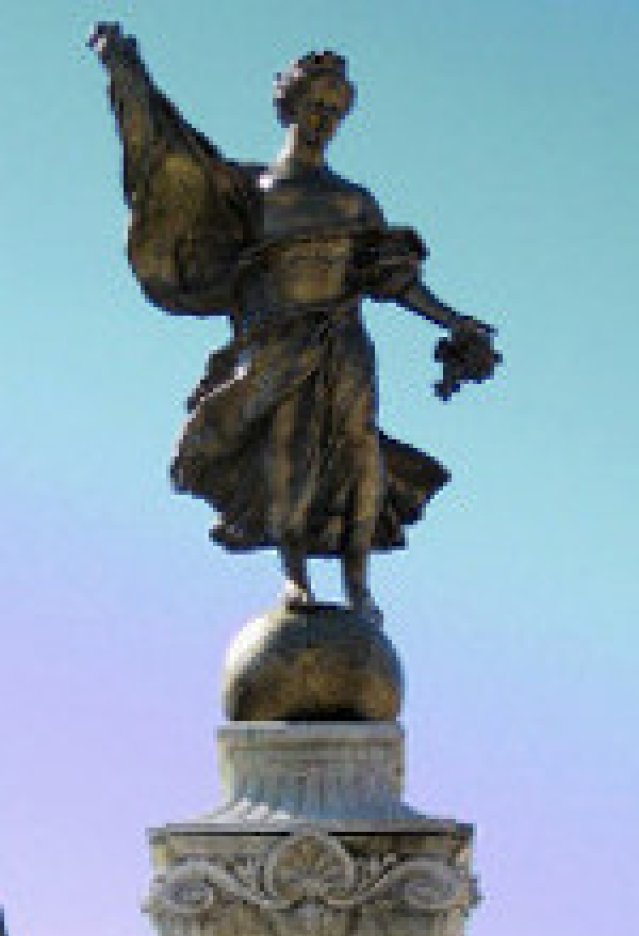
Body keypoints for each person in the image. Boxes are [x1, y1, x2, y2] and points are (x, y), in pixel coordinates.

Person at [91, 30, 499, 614]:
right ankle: (297, 578)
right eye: (315, 105)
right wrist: (125, 69)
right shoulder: (250, 192)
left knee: (360, 450)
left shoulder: (354, 200)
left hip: (342, 338)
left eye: (335, 110)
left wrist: (454, 321)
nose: (324, 119)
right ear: (287, 105)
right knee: (286, 450)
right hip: (275, 341)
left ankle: (358, 583)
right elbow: (169, 147)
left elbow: (393, 280)